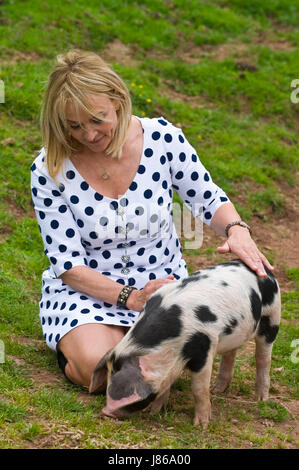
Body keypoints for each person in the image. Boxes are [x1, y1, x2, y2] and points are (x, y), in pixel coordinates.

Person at [30, 50, 273, 391]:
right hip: (86, 291)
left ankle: (126, 343)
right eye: (74, 125)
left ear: (117, 99)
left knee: (151, 376)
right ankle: (82, 349)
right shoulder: (49, 168)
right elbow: (67, 264)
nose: (88, 134)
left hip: (163, 288)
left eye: (97, 120)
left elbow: (207, 196)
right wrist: (130, 296)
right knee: (107, 375)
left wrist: (236, 230)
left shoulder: (162, 138)